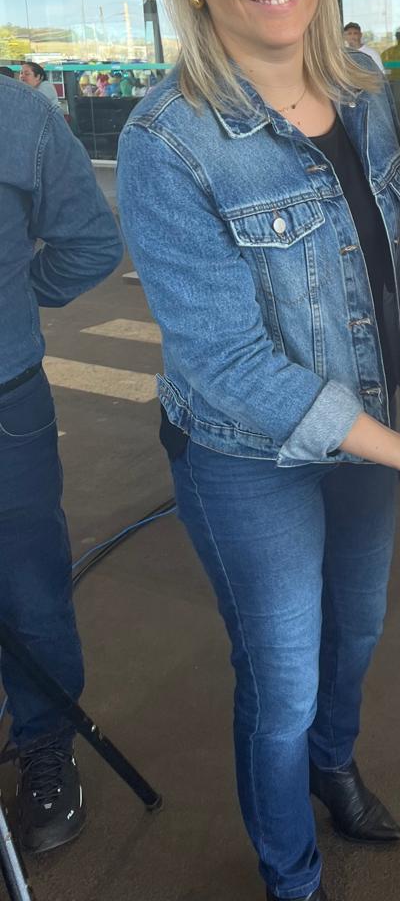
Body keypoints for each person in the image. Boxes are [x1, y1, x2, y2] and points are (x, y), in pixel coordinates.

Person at [116, 0, 400, 901]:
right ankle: (292, 873)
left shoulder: (363, 90)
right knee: (278, 679)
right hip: (245, 455)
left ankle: (334, 762)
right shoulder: (167, 140)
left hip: (368, 429)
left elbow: (395, 274)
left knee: (354, 634)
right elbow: (226, 358)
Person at [0, 74, 123, 854]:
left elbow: (91, 243)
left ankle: (45, 743)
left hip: (5, 407)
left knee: (29, 591)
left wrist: (14, 296)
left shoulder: (18, 117)